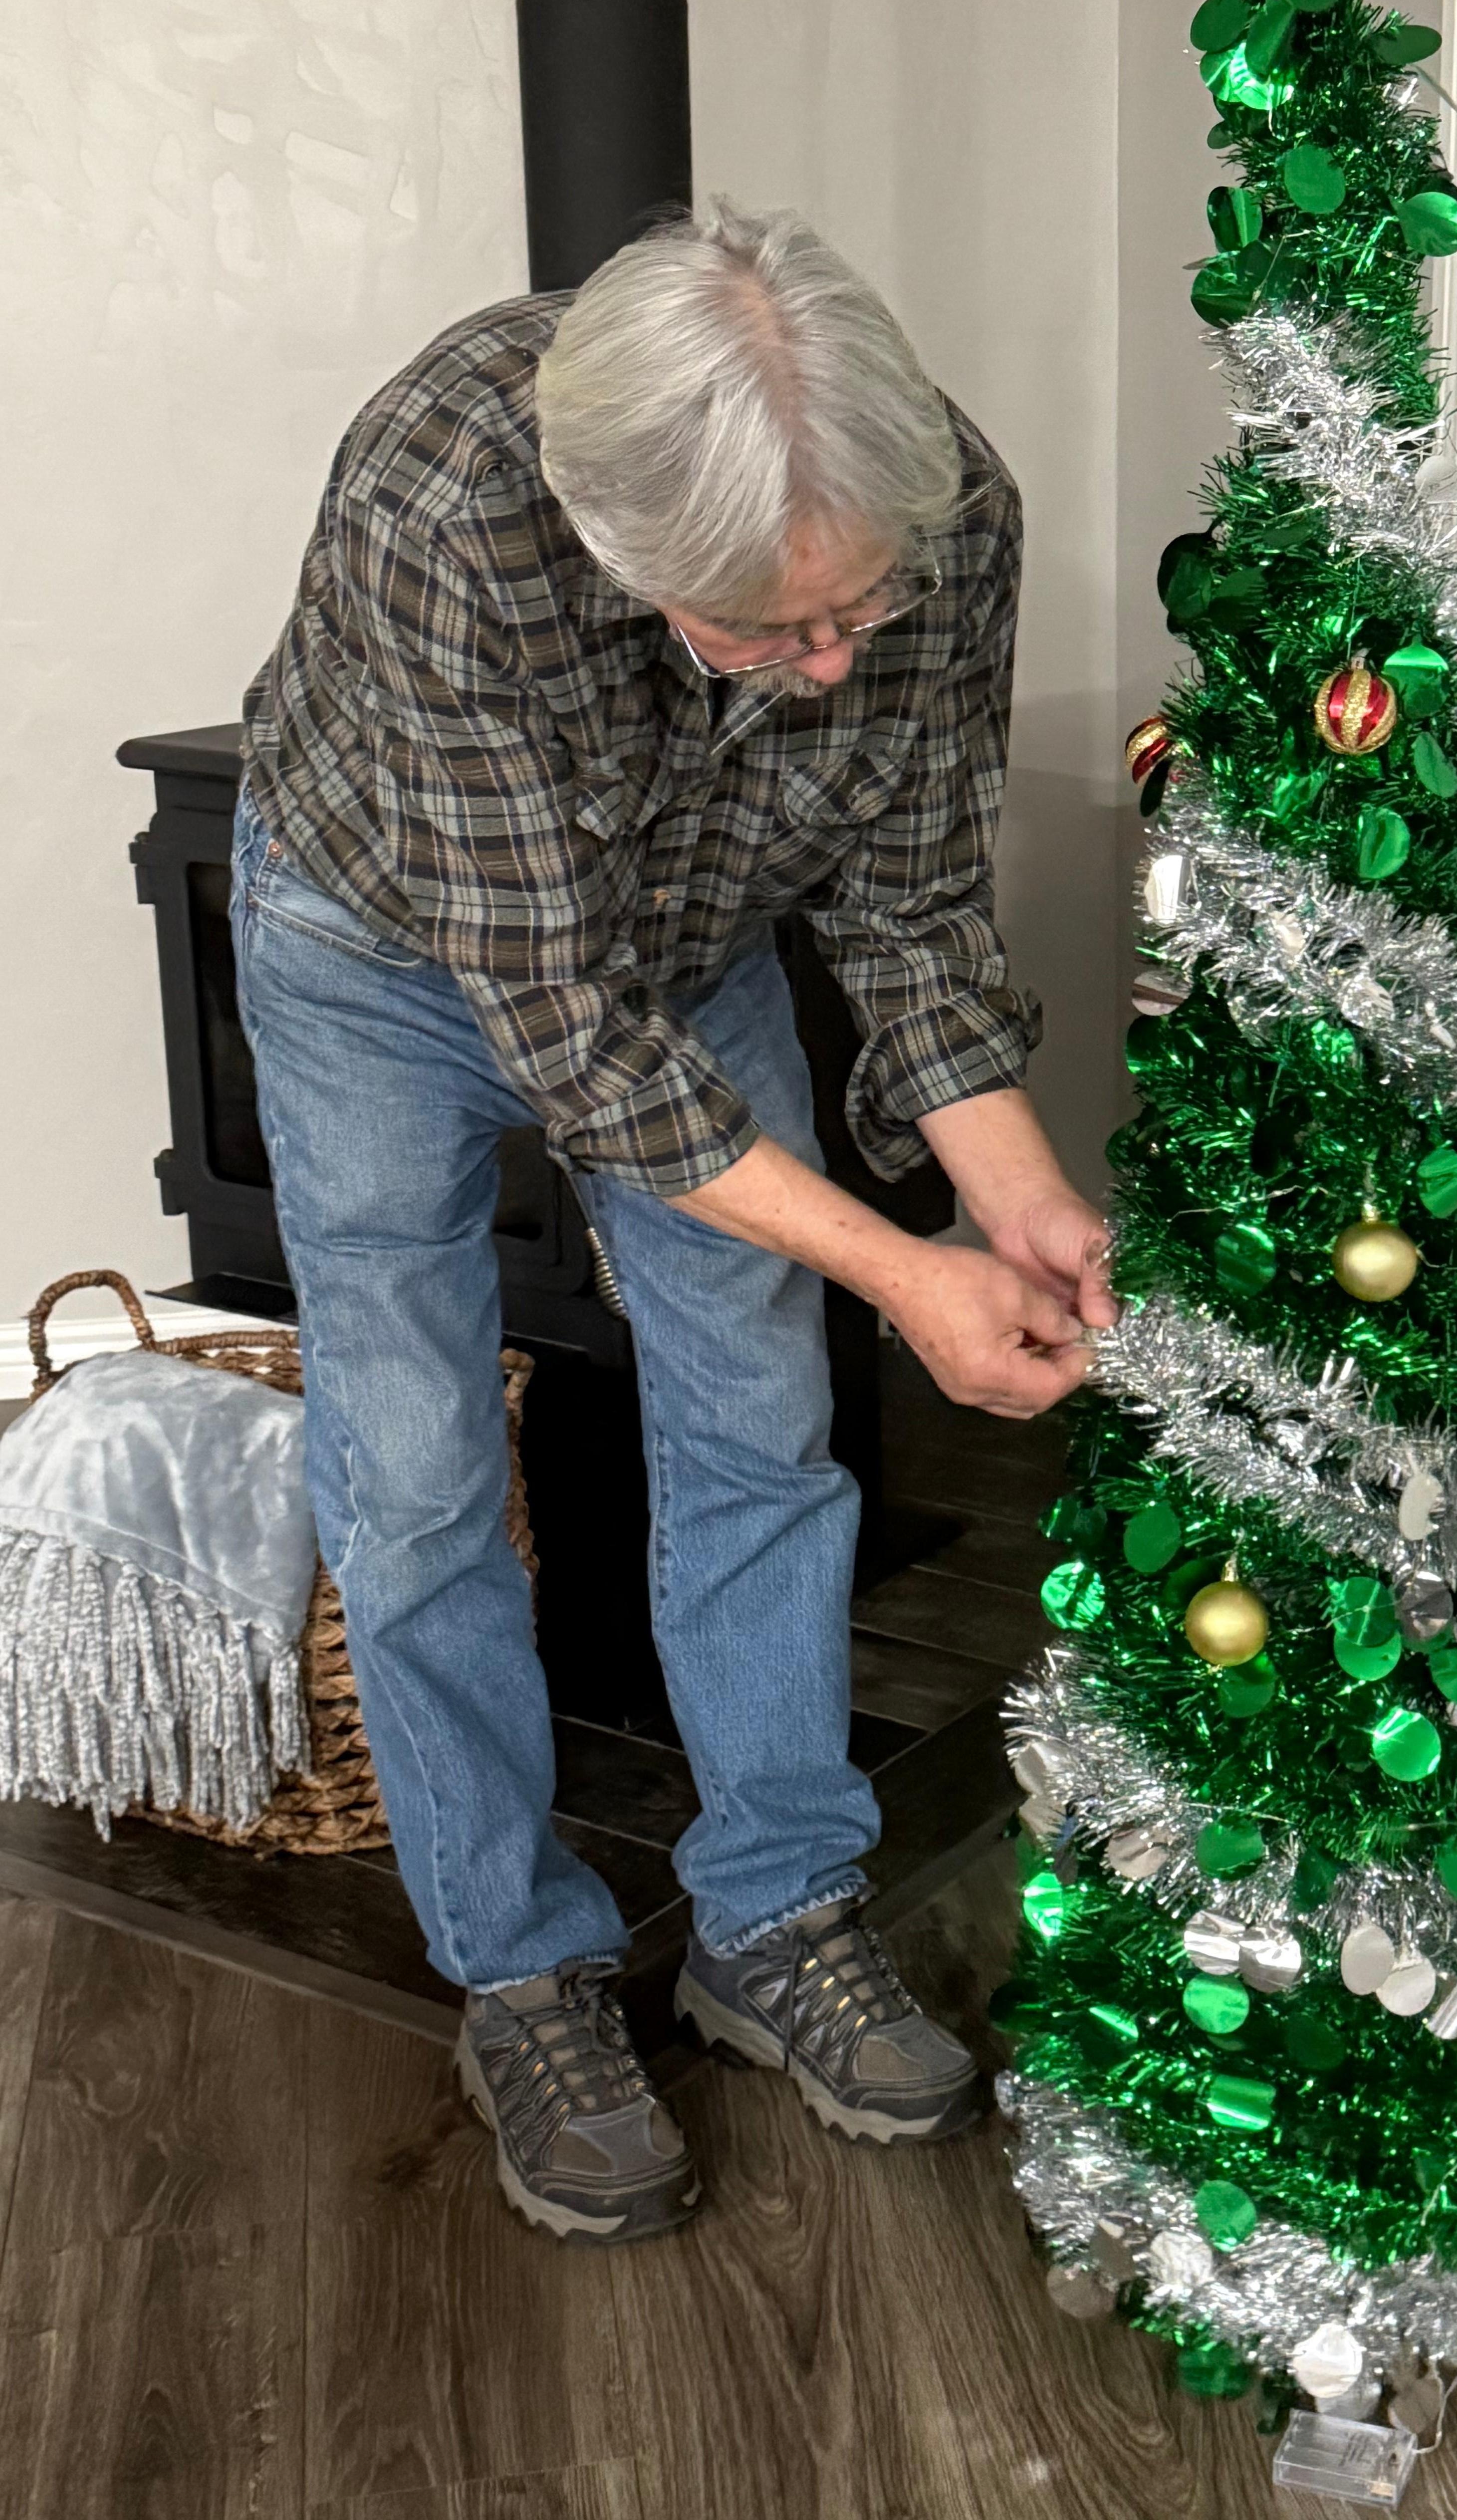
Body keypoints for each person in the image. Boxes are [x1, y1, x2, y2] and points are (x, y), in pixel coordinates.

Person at [233, 200, 1114, 2243]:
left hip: (691, 931)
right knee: (429, 1458)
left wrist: (1027, 1198)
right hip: (374, 950)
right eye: (763, 632)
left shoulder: (941, 506)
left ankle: (778, 1913)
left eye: (851, 617)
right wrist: (909, 1274)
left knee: (758, 1421)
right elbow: (587, 1058)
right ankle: (524, 1963)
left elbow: (904, 900)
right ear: (621, 551)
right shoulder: (446, 504)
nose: (826, 664)